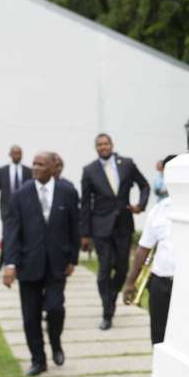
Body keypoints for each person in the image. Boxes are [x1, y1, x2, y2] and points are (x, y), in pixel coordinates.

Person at [1, 152, 80, 377]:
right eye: (34, 164)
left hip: (58, 264)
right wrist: (10, 264)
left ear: (54, 167)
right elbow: (11, 232)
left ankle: (55, 343)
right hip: (29, 264)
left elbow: (75, 226)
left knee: (55, 308)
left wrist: (73, 258)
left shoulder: (68, 192)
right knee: (30, 316)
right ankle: (38, 360)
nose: (35, 167)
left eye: (41, 164)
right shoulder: (21, 194)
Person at [79, 134, 150, 330]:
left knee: (121, 268)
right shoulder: (89, 170)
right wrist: (84, 234)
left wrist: (140, 205)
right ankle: (107, 311)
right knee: (103, 270)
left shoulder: (127, 164)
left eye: (106, 143)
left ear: (112, 145)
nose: (103, 147)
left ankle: (111, 297)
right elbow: (85, 204)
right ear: (96, 148)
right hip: (100, 227)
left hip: (123, 225)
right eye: (99, 145)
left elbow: (144, 185)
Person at [124, 155, 178, 345]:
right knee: (159, 337)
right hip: (161, 284)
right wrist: (130, 282)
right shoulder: (159, 210)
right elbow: (143, 249)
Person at [0, 145, 32, 272]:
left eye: (19, 153)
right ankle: (2, 261)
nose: (17, 155)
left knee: (23, 235)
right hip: (7, 209)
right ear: (10, 155)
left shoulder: (28, 171)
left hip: (24, 209)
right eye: (14, 153)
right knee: (7, 235)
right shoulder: (2, 171)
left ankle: (20, 262)